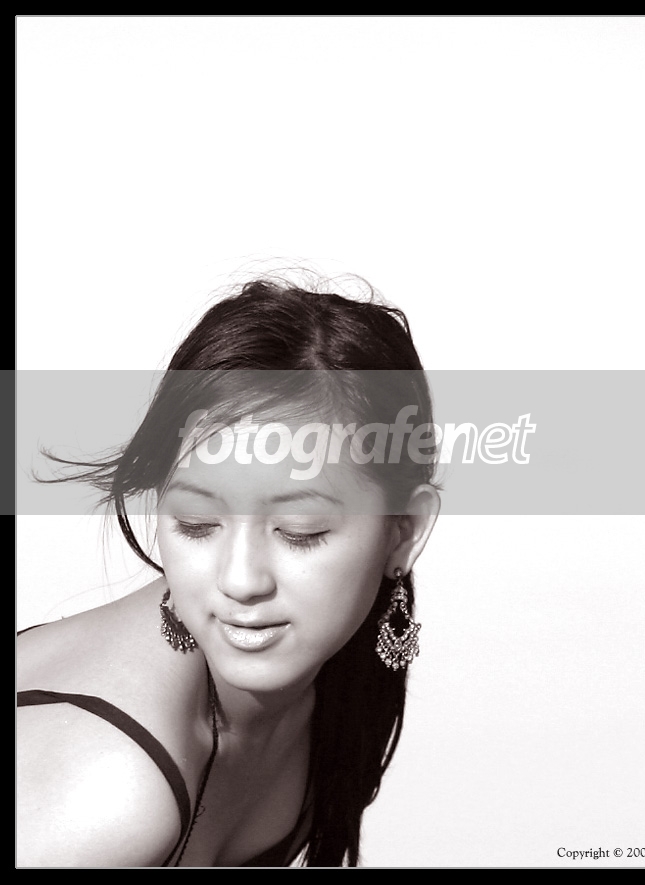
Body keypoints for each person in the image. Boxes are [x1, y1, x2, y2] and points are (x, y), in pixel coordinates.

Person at [17, 275, 440, 868]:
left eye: (299, 531)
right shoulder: (105, 786)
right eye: (197, 524)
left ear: (405, 530)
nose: (240, 581)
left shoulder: (339, 687)